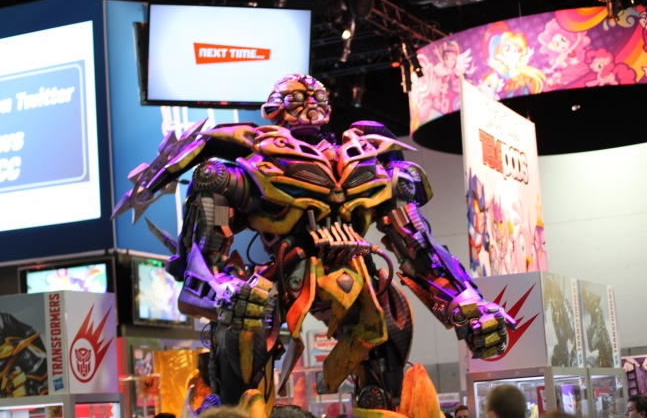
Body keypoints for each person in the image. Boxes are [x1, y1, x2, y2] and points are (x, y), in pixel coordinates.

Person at [113, 73, 514, 416]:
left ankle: (379, 402)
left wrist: (468, 301)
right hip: (282, 275)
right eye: (296, 100)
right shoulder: (252, 162)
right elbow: (200, 267)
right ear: (273, 110)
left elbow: (418, 247)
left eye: (316, 99)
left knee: (387, 331)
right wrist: (219, 288)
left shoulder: (364, 159)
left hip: (355, 273)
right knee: (244, 317)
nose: (308, 107)